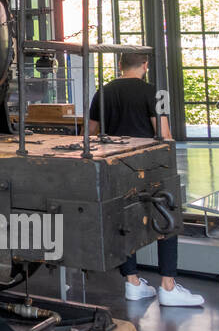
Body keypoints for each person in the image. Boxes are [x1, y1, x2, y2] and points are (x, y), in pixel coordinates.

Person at [87, 51, 204, 307]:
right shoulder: (156, 93)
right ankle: (168, 286)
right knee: (166, 218)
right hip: (149, 166)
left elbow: (91, 133)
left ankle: (133, 283)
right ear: (145, 66)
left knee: (125, 222)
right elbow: (163, 134)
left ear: (120, 66)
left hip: (115, 165)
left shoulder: (101, 92)